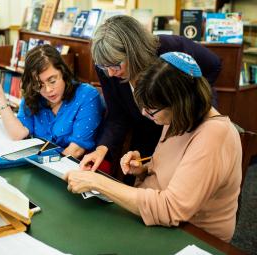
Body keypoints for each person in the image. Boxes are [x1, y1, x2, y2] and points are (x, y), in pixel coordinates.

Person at [64, 52, 242, 242]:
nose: (144, 113)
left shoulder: (214, 135)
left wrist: (97, 182)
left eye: (151, 110)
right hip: (158, 221)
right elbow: (178, 172)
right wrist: (144, 169)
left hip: (192, 236)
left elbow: (171, 208)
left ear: (179, 104)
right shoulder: (180, 117)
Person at [80, 15, 222, 180]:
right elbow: (117, 115)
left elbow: (213, 64)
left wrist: (187, 101)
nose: (110, 73)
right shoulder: (107, 67)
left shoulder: (169, 48)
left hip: (185, 126)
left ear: (134, 52)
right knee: (135, 177)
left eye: (115, 65)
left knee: (178, 181)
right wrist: (101, 149)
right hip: (146, 132)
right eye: (104, 67)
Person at [0, 44, 104, 158]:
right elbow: (18, 134)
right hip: (42, 163)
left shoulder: (86, 95)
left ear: (63, 72)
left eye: (52, 81)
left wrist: (41, 166)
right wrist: (0, 96)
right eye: (39, 85)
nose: (48, 90)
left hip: (74, 168)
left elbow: (76, 150)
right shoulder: (33, 94)